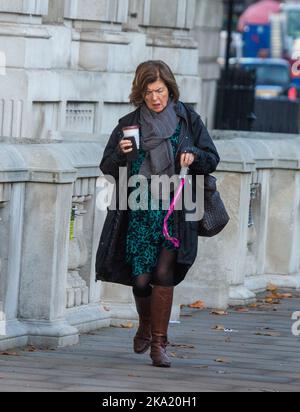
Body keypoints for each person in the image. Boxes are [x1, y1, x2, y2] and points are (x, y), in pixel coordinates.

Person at [96, 60, 220, 368]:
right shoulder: (129, 123)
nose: (156, 98)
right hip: (138, 209)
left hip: (176, 208)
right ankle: (145, 325)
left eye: (161, 91)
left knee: (164, 272)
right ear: (141, 93)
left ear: (170, 89)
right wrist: (120, 154)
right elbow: (107, 167)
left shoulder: (187, 120)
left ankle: (159, 345)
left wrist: (194, 156)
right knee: (140, 280)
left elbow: (211, 158)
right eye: (150, 92)